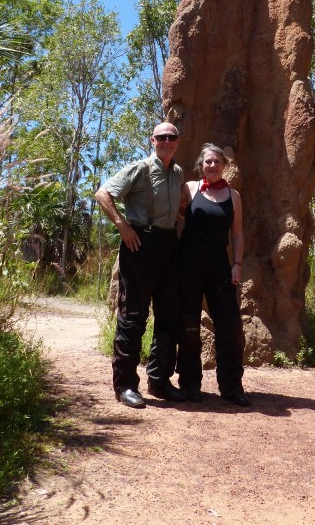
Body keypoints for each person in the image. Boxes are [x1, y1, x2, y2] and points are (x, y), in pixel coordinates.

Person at [95, 122, 186, 409]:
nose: (167, 141)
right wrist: (122, 226)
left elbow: (179, 207)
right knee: (133, 316)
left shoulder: (178, 172)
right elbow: (103, 194)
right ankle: (125, 385)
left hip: (169, 246)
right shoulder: (140, 169)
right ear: (153, 140)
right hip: (140, 245)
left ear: (177, 141)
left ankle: (159, 380)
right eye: (162, 137)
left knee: (169, 316)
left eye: (172, 137)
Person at [177, 143, 249, 406]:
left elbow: (237, 233)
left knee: (229, 328)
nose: (212, 166)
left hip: (220, 268)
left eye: (217, 161)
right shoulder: (190, 188)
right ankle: (190, 384)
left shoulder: (234, 196)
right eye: (208, 162)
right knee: (189, 326)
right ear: (201, 165)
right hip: (188, 266)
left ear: (224, 165)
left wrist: (237, 263)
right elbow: (176, 212)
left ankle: (231, 387)